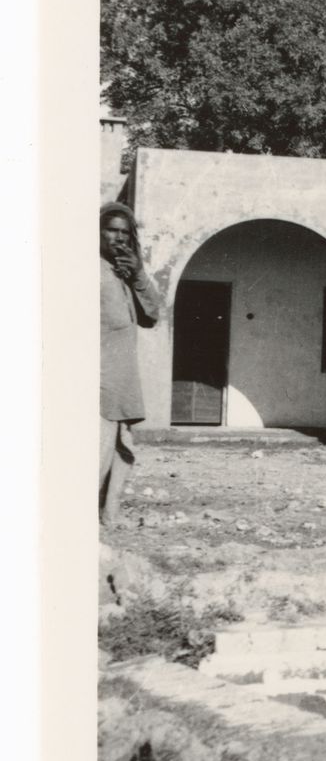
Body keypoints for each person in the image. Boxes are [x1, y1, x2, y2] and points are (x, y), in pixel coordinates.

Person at [100, 201, 162, 526]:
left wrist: (137, 274)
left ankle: (107, 522)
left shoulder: (124, 274)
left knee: (118, 457)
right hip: (96, 387)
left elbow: (152, 314)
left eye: (125, 232)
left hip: (120, 386)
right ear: (97, 232)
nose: (119, 238)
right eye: (111, 230)